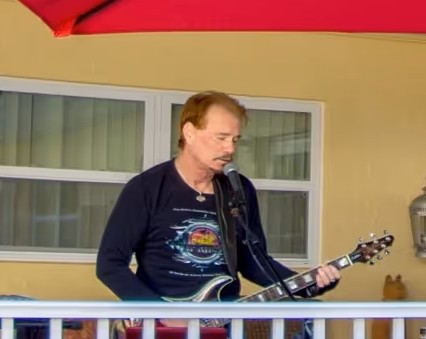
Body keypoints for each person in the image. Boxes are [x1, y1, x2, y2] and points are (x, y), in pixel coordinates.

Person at [97, 91, 340, 302]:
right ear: (189, 132)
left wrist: (310, 284)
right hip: (161, 332)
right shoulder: (146, 188)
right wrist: (158, 314)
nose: (230, 149)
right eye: (221, 138)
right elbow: (110, 265)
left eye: (235, 140)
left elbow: (253, 262)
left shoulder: (238, 189)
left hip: (224, 326)